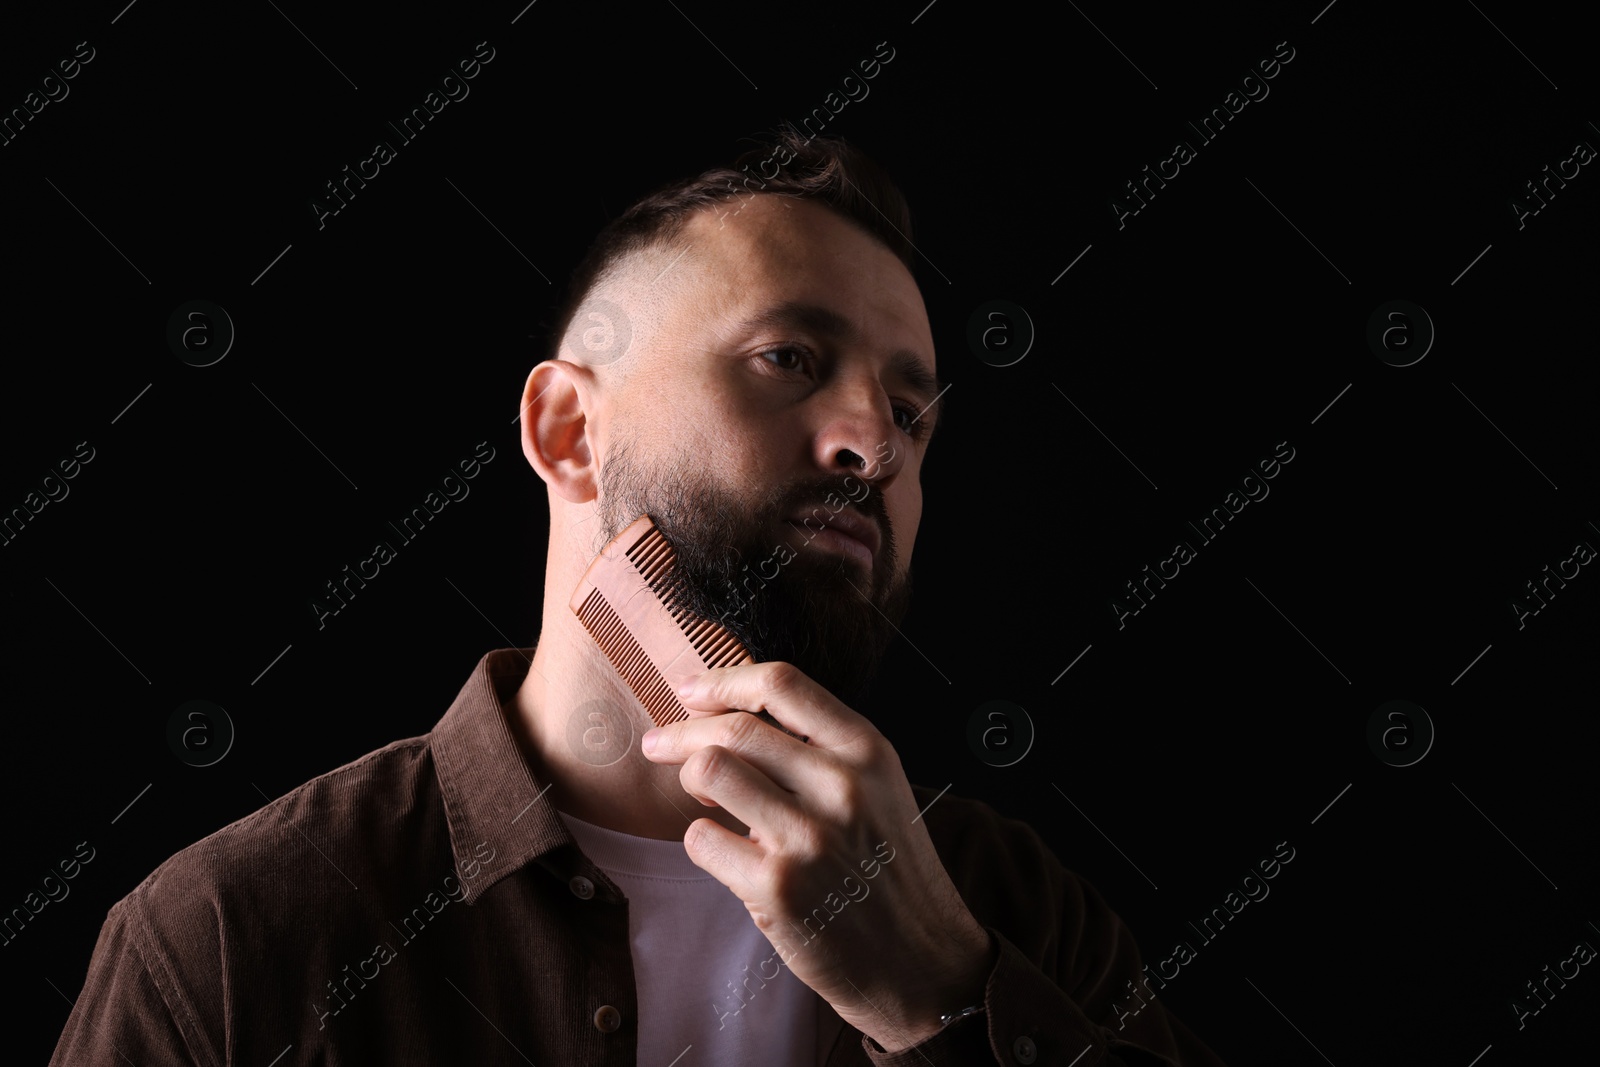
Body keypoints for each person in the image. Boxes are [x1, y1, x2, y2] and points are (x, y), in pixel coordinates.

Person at [49, 128, 1228, 1066]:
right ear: (569, 430)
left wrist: (947, 1003)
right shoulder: (233, 935)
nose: (875, 443)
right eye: (790, 359)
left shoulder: (1010, 909)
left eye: (911, 410)